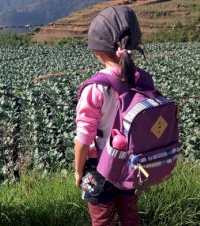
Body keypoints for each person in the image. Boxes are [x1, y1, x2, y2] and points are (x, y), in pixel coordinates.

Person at [74, 5, 151, 226]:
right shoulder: (143, 80)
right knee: (130, 215)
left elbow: (84, 139)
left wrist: (78, 171)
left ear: (96, 50)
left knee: (102, 220)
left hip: (98, 167)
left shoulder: (95, 89)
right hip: (132, 164)